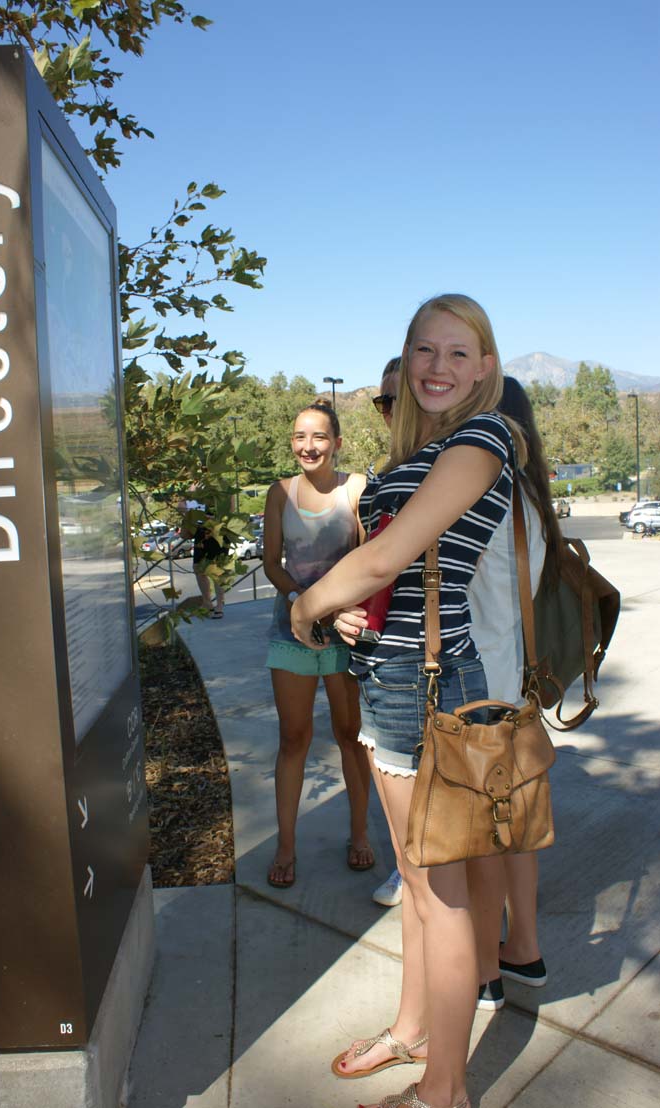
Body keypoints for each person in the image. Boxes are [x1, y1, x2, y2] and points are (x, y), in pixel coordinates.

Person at [292, 294, 525, 1108]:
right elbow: (389, 571)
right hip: (391, 676)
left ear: (486, 367)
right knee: (420, 890)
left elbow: (391, 550)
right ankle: (412, 1029)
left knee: (444, 900)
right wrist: (354, 609)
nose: (438, 366)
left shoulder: (485, 436)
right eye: (424, 350)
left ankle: (445, 1093)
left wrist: (308, 604)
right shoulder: (421, 450)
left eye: (459, 353)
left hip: (432, 688)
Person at [466, 377, 562, 1010]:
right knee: (516, 831)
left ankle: (481, 972)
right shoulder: (532, 496)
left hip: (478, 694)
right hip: (516, 690)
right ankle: (522, 950)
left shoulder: (484, 488)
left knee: (477, 843)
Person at [263, 402, 373, 889]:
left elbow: (370, 558)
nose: (308, 446)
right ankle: (285, 846)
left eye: (319, 437)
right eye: (299, 436)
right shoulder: (278, 493)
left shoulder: (356, 489)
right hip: (291, 632)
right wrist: (300, 602)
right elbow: (271, 563)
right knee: (294, 740)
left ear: (337, 443)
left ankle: (360, 835)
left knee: (350, 737)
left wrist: (334, 608)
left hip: (346, 632)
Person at [369, 357, 405, 911]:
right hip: (387, 660)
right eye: (386, 402)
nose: (394, 413)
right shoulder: (386, 475)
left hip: (446, 663)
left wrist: (312, 607)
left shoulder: (456, 465)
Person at [181, 497, 227, 618]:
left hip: (217, 534)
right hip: (200, 534)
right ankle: (207, 602)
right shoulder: (191, 492)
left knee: (217, 570)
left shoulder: (219, 492)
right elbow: (181, 506)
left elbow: (229, 510)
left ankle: (220, 604)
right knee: (198, 568)